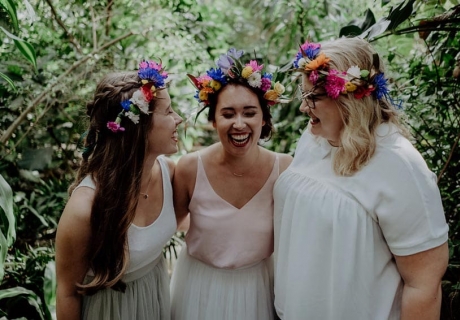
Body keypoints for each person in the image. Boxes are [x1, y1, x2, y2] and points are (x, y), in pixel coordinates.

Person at [273, 37, 449, 319]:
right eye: (302, 94)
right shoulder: (314, 138)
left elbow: (423, 285)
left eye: (313, 97)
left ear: (348, 99)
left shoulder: (399, 164)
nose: (303, 108)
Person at [170, 48, 292, 320]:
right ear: (213, 120)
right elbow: (170, 225)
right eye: (227, 114)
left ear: (264, 118)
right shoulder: (190, 168)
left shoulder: (285, 169)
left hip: (259, 288)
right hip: (198, 287)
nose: (239, 124)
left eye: (249, 113)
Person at [55, 59, 183, 320]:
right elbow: (67, 292)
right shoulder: (85, 209)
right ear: (139, 127)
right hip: (111, 311)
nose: (178, 119)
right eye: (169, 112)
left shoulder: (167, 171)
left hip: (154, 296)